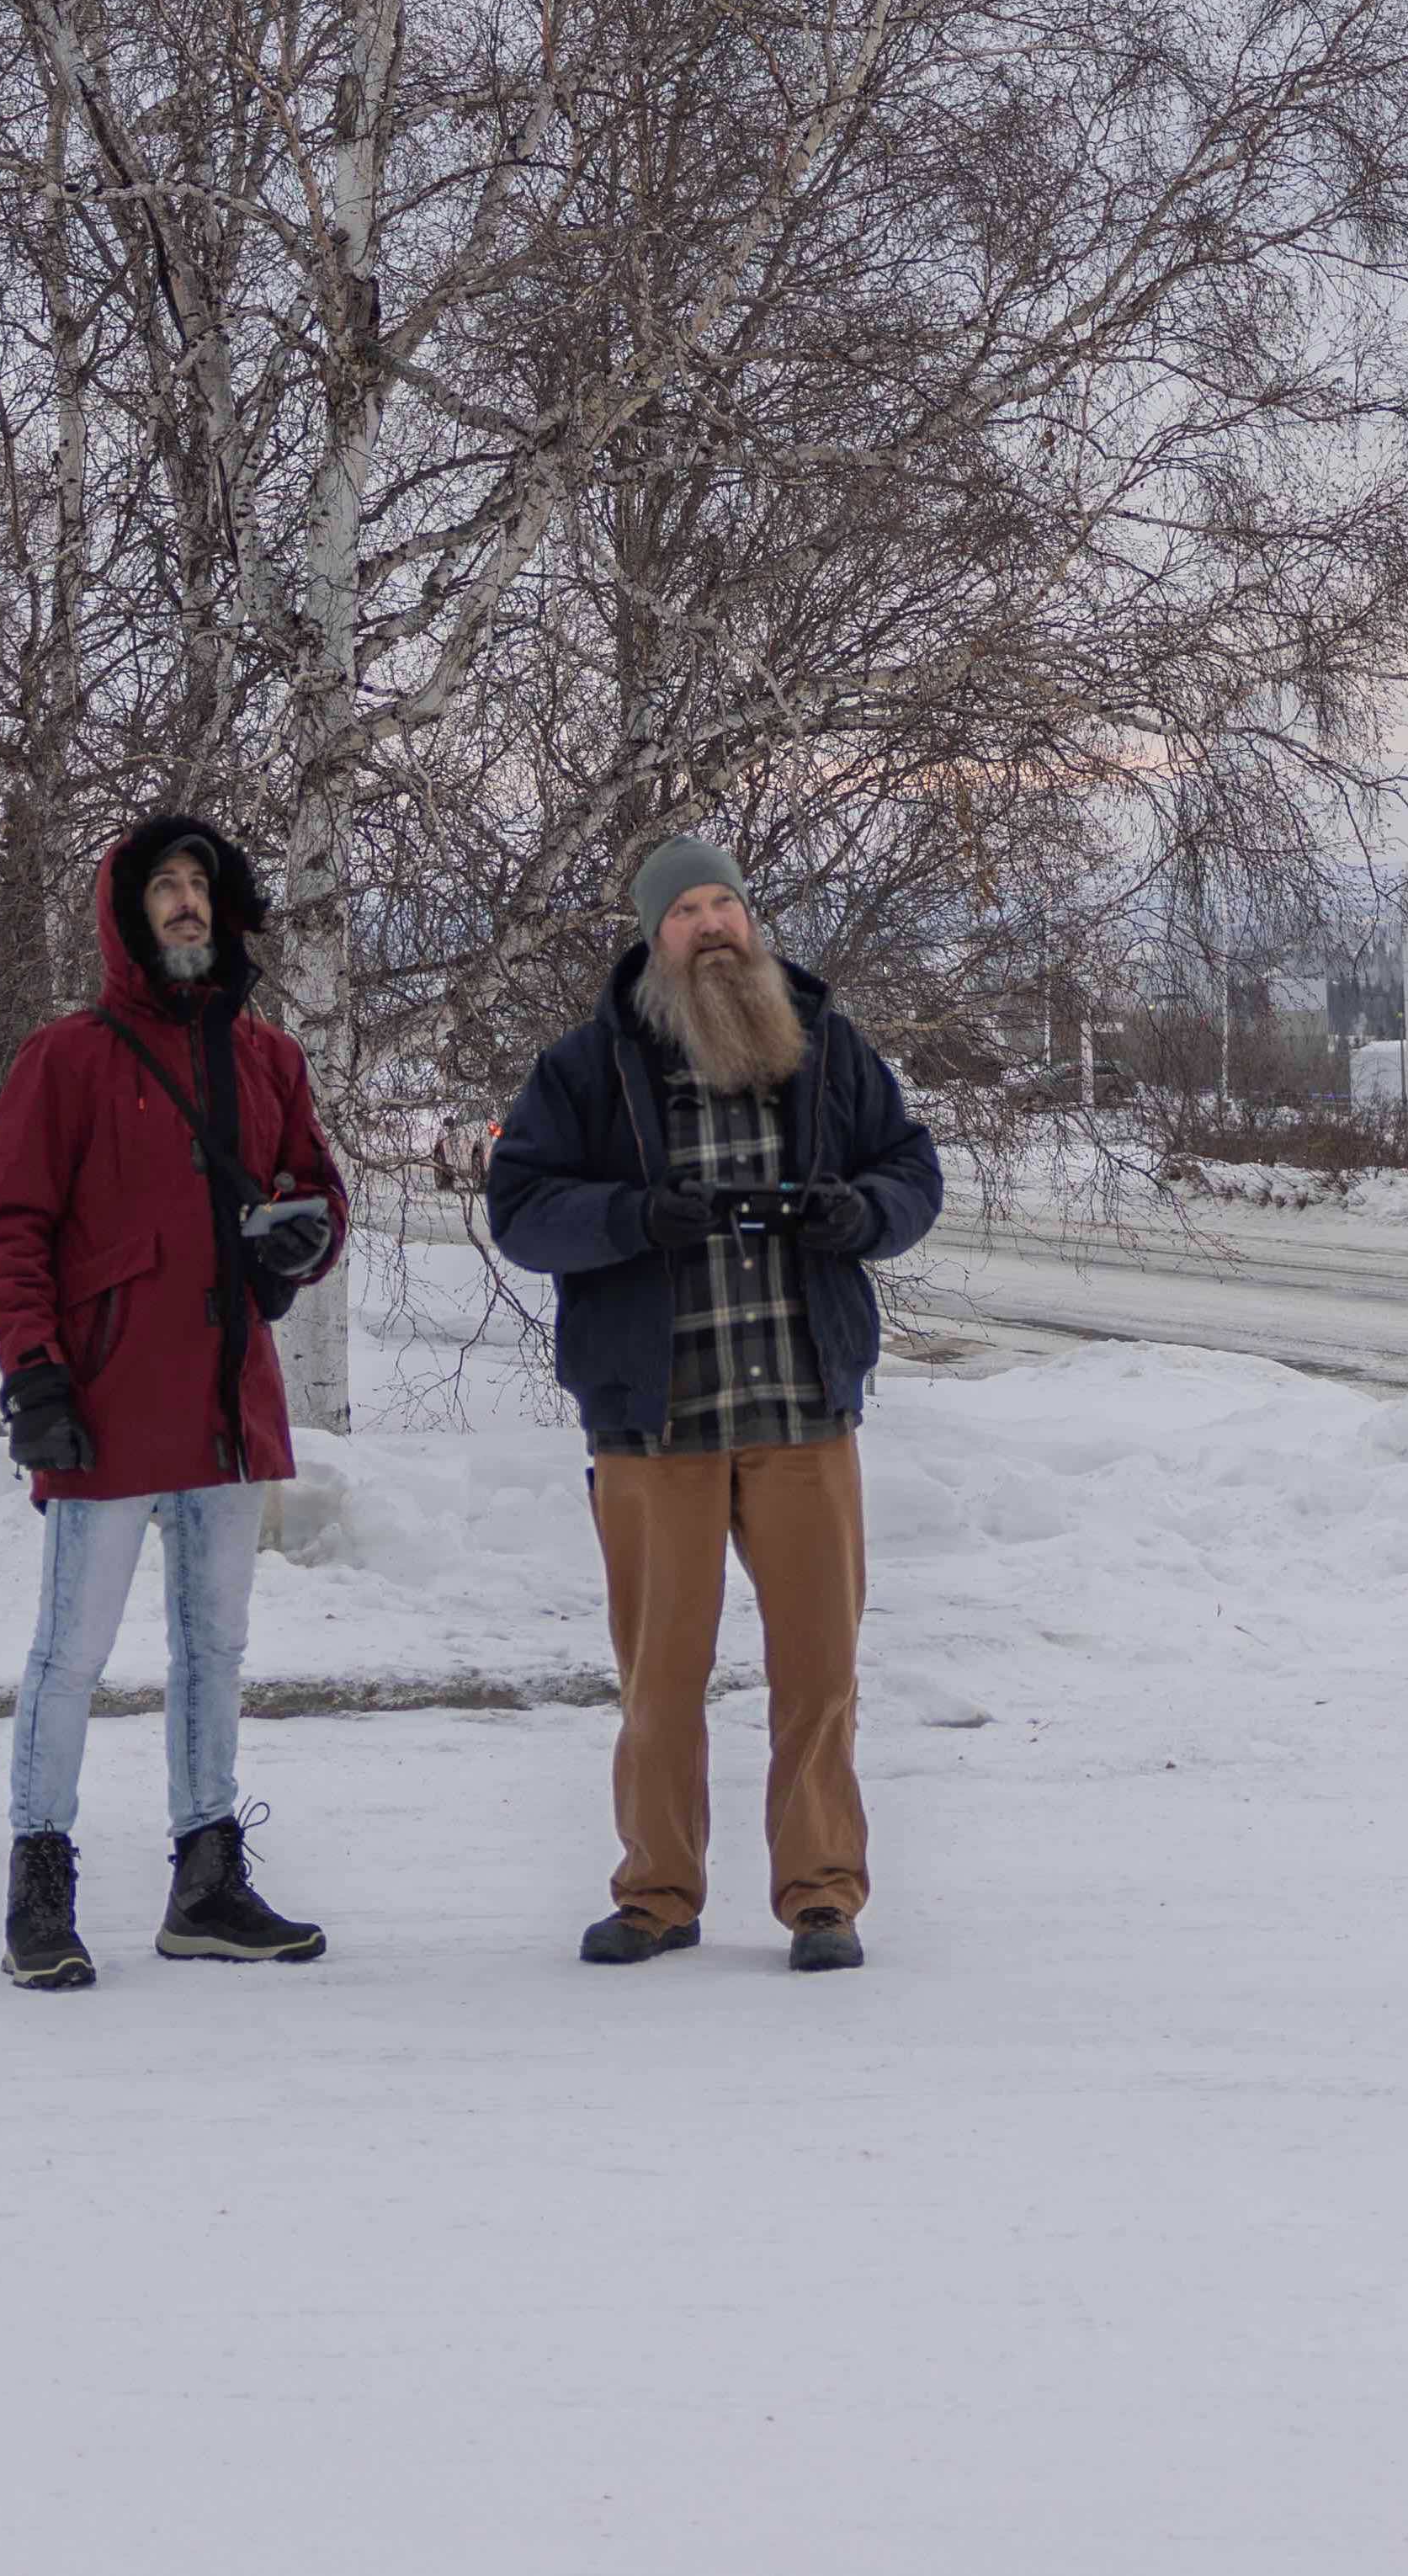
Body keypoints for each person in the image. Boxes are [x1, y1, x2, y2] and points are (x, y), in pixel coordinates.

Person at [485, 838, 945, 1972]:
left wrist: (863, 1215)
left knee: (819, 1672)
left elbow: (912, 1170)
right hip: (658, 1418)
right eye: (686, 909)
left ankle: (822, 1895)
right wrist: (636, 1218)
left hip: (803, 1410)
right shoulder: (587, 1068)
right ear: (655, 936)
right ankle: (656, 1892)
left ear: (752, 919)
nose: (712, 924)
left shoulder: (827, 1047)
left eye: (725, 902)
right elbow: (523, 1209)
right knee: (658, 1676)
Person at [0, 811, 347, 1992]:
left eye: (200, 885)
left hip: (229, 1399)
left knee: (214, 1648)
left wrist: (299, 1246)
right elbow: (9, 1229)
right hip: (105, 1400)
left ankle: (207, 1879)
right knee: (69, 1656)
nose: (184, 903)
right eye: (163, 887)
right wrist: (33, 1375)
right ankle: (41, 1884)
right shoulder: (65, 1058)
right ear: (128, 915)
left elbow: (317, 1196)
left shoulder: (269, 1059)